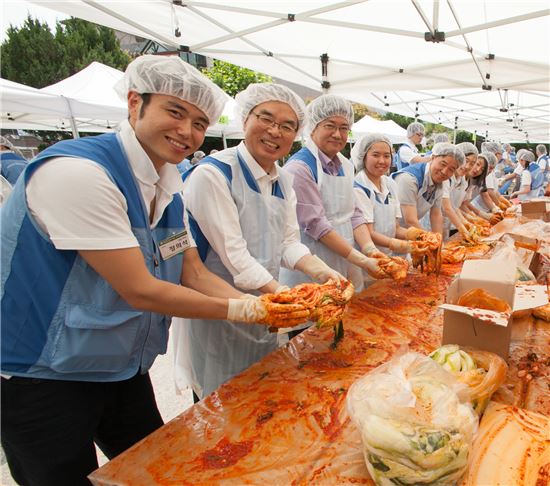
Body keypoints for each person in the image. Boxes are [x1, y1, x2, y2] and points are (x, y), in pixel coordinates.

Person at [0, 56, 308, 486]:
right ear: (134, 103)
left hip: (121, 367)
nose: (187, 131)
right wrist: (249, 311)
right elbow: (139, 290)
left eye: (199, 122)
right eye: (175, 112)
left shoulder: (168, 187)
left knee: (153, 469)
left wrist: (262, 303)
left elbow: (193, 272)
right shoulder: (80, 173)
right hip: (45, 375)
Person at [173, 83, 343, 399]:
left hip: (267, 309)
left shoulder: (283, 180)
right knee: (219, 402)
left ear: (296, 135)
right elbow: (234, 255)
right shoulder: (214, 175)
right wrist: (287, 295)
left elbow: (289, 243)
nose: (275, 131)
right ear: (245, 119)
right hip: (221, 307)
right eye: (265, 119)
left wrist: (321, 272)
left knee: (259, 394)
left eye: (287, 126)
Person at [279, 94, 385, 298]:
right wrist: (360, 259)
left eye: (344, 128)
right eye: (330, 126)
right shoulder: (299, 168)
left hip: (345, 259)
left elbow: (353, 213)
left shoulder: (345, 165)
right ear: (314, 126)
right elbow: (316, 224)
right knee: (315, 325)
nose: (338, 134)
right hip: (312, 266)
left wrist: (369, 249)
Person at [351, 133, 426, 255]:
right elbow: (368, 232)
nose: (382, 161)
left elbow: (395, 228)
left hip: (388, 256)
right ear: (363, 157)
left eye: (387, 156)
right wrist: (402, 245)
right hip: (367, 257)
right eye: (375, 155)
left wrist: (418, 235)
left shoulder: (390, 184)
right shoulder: (359, 187)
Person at [392, 142, 460, 234]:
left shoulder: (440, 183)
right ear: (433, 158)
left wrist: (439, 240)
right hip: (391, 230)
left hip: (409, 232)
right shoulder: (409, 179)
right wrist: (432, 240)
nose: (444, 172)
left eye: (451, 169)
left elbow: (436, 214)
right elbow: (410, 220)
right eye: (443, 164)